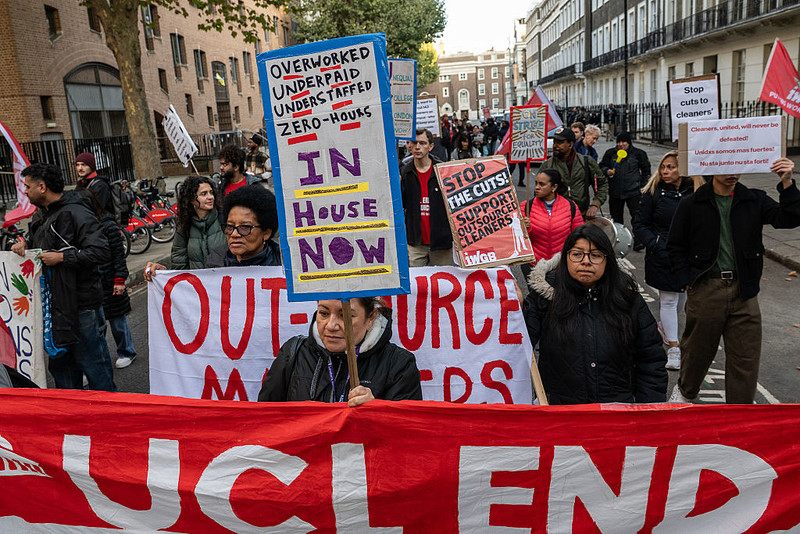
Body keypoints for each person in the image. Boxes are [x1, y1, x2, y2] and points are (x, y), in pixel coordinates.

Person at [667, 157, 800, 404]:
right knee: (697, 351)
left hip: (744, 290)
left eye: (737, 166)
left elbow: (789, 219)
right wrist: (687, 281)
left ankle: (741, 413)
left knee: (745, 357)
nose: (732, 173)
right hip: (707, 287)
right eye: (726, 167)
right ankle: (684, 395)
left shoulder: (753, 199)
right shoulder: (693, 203)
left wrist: (787, 182)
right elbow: (675, 246)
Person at [523, 224, 667, 404]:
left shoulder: (628, 299)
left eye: (596, 255)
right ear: (565, 258)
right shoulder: (545, 296)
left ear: (608, 260)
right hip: (561, 413)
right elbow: (516, 345)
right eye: (577, 254)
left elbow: (651, 360)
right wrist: (512, 303)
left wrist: (649, 412)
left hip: (616, 413)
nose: (585, 261)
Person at [12, 163, 114, 391]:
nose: (25, 192)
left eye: (27, 187)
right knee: (63, 371)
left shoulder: (77, 212)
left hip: (82, 305)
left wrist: (61, 258)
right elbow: (43, 245)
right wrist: (25, 246)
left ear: (42, 187)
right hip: (55, 307)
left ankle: (109, 419)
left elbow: (101, 251)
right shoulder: (42, 216)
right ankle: (71, 420)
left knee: (95, 367)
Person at [258, 297, 423, 405]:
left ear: (371, 317)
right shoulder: (293, 353)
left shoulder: (399, 364)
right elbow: (265, 420)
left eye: (345, 316)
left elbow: (406, 437)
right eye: (323, 313)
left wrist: (378, 411)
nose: (331, 325)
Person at [633, 151, 703, 371]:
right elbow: (640, 223)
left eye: (671, 167)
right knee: (670, 300)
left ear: (683, 168)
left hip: (689, 257)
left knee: (682, 300)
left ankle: (664, 326)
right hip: (662, 255)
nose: (665, 171)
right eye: (663, 167)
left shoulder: (696, 192)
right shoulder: (652, 192)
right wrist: (654, 243)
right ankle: (674, 348)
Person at [144, 175, 226, 280]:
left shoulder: (224, 220)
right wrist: (162, 274)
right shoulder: (184, 226)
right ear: (192, 199)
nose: (210, 197)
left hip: (224, 287)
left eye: (211, 192)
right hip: (198, 290)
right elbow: (179, 265)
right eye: (204, 194)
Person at [400, 128, 453, 266]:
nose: (418, 147)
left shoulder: (443, 171)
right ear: (409, 146)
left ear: (431, 146)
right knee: (416, 284)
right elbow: (401, 205)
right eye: (414, 143)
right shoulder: (405, 173)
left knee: (444, 283)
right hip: (415, 242)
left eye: (422, 143)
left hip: (441, 241)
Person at [520, 169, 584, 279]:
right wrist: (525, 228)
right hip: (533, 265)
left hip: (562, 266)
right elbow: (517, 240)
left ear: (554, 187)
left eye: (542, 184)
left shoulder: (570, 206)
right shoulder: (526, 207)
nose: (537, 187)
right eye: (536, 183)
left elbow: (580, 236)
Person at [540, 126, 608, 218]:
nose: (555, 146)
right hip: (555, 218)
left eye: (560, 142)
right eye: (554, 142)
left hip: (581, 215)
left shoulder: (586, 162)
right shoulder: (547, 165)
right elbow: (539, 192)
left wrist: (595, 204)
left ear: (570, 145)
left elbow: (602, 184)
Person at [599, 132, 651, 251]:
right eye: (619, 142)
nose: (621, 144)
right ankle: (619, 242)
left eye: (624, 142)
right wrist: (606, 171)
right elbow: (601, 166)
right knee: (617, 219)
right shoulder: (610, 153)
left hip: (634, 192)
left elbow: (646, 171)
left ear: (629, 143)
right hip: (615, 192)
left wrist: (642, 187)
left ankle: (638, 240)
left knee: (637, 217)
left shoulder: (639, 154)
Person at [222, 184, 281, 266]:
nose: (234, 234)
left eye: (245, 227)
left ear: (266, 233)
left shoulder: (285, 266)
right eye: (230, 226)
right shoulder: (214, 263)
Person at [74, 152, 114, 216]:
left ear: (91, 166)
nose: (80, 168)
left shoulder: (100, 185)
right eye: (77, 165)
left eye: (83, 165)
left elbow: (98, 210)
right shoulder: (81, 183)